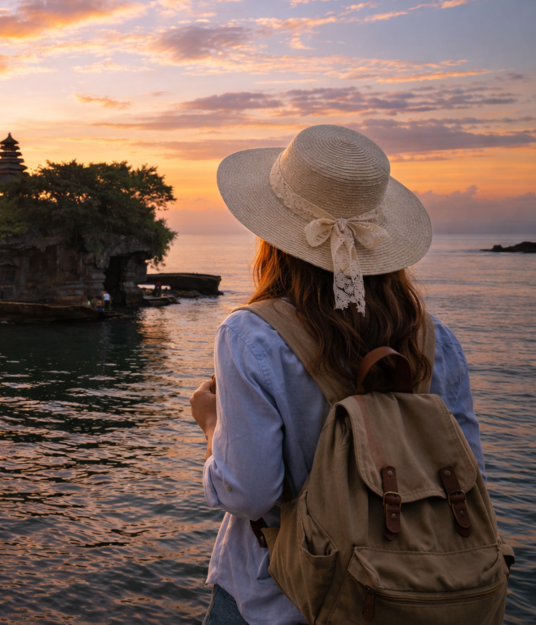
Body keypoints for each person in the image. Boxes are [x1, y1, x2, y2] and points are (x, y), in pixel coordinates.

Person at [189, 125, 486, 625]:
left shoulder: (252, 335)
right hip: (410, 597)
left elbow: (251, 493)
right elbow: (469, 472)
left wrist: (210, 424)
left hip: (280, 598)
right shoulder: (436, 341)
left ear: (273, 238)